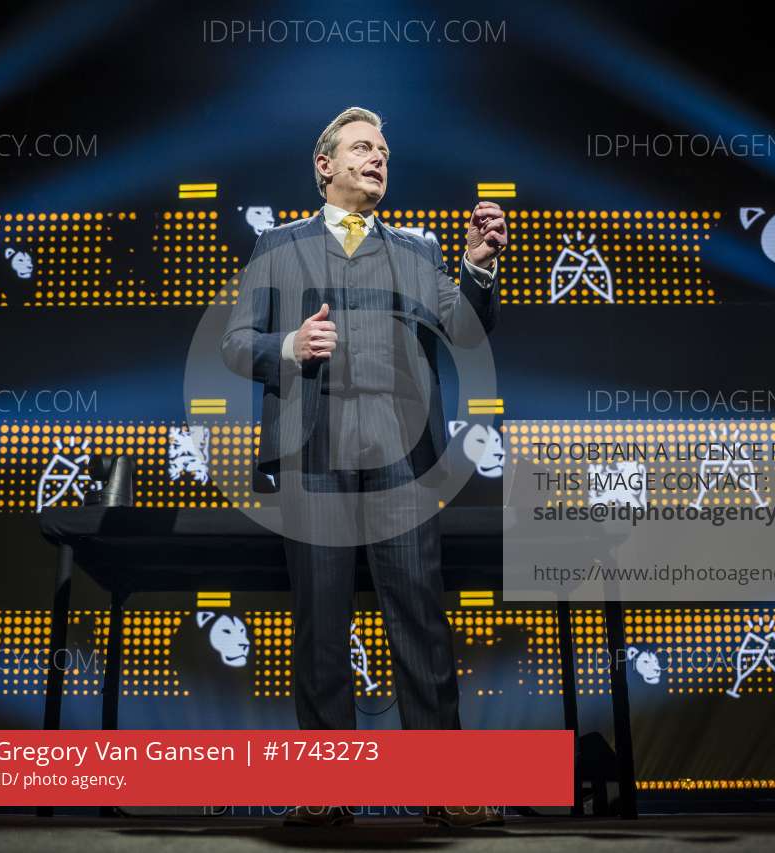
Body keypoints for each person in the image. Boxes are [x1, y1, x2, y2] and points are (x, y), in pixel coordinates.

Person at [221, 106, 507, 827]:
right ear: (324, 165)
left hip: (401, 453)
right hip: (311, 451)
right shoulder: (278, 245)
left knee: (418, 613)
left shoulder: (417, 249)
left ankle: (445, 784)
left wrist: (478, 265)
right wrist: (289, 347)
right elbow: (235, 341)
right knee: (320, 618)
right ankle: (326, 784)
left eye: (383, 150)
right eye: (361, 147)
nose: (377, 158)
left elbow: (466, 329)